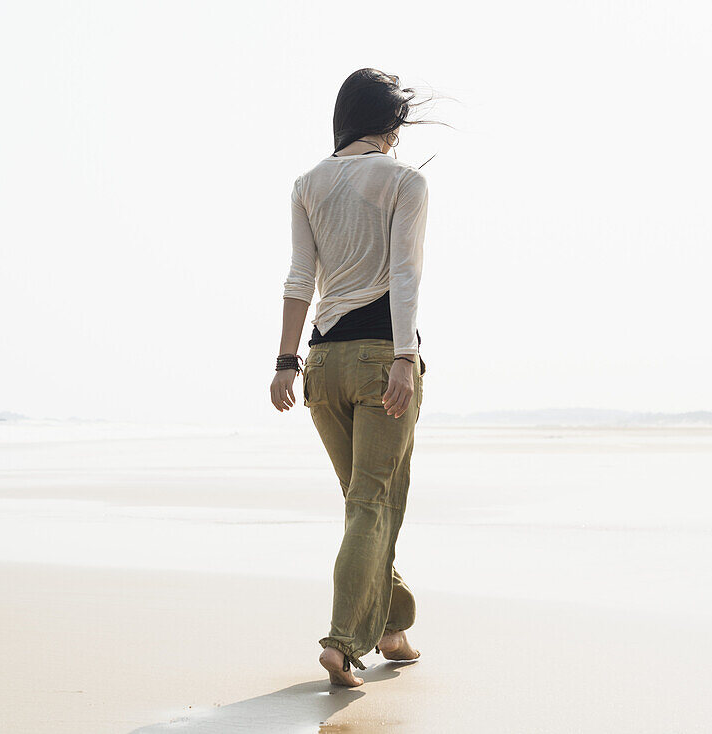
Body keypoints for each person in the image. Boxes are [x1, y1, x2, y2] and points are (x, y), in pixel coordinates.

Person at [270, 68, 436, 687]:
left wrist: (285, 363)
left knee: (362, 502)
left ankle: (394, 625)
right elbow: (406, 277)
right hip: (378, 360)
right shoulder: (405, 181)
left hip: (321, 365)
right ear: (390, 122)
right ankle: (342, 643)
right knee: (374, 500)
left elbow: (298, 281)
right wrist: (403, 358)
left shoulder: (307, 183)